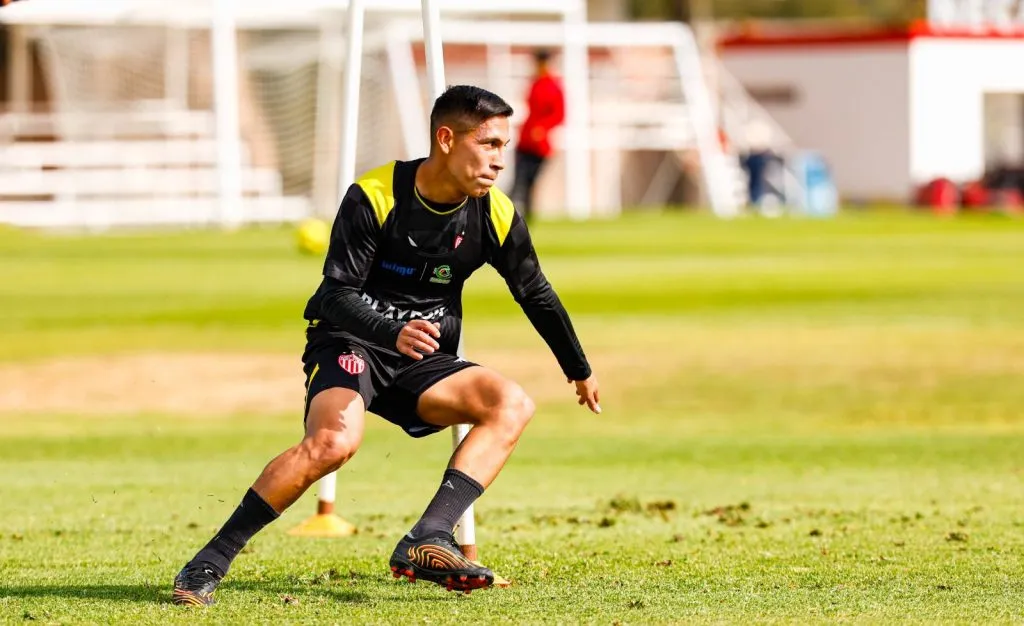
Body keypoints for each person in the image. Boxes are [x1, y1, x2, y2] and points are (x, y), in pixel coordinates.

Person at [171, 85, 600, 606]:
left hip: (422, 361)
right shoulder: (375, 195)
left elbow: (534, 291)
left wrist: (577, 367)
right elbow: (333, 295)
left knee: (510, 403)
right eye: (487, 144)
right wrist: (389, 331)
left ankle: (428, 536)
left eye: (503, 147)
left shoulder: (495, 214)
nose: (498, 161)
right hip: (349, 342)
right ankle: (209, 562)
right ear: (446, 139)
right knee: (333, 445)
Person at [510, 49, 565, 222]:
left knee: (530, 181)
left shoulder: (554, 85)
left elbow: (559, 114)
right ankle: (510, 217)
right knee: (519, 181)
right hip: (525, 140)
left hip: (540, 145)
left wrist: (543, 128)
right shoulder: (534, 83)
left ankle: (527, 218)